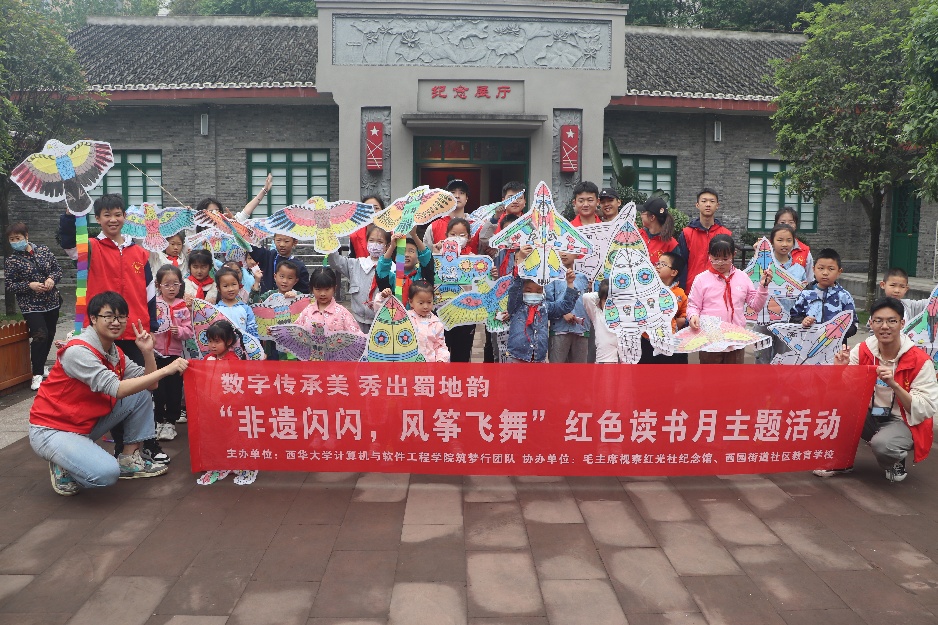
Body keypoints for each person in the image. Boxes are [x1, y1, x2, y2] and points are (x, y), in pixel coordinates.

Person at [29, 291, 187, 496]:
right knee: (106, 474)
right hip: (53, 429)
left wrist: (147, 352)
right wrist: (167, 369)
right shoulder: (78, 351)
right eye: (109, 316)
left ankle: (129, 459)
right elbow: (117, 389)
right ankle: (63, 462)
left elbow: (151, 385)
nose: (116, 322)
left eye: (121, 317)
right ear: (93, 318)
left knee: (140, 392)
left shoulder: (114, 351)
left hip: (84, 424)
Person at [817, 297, 938, 482]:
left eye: (892, 321)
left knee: (883, 445)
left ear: (902, 323)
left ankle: (895, 458)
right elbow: (842, 391)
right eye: (879, 321)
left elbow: (925, 408)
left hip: (904, 420)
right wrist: (839, 371)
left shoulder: (920, 361)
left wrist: (894, 385)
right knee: (835, 411)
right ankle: (842, 460)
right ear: (871, 323)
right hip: (870, 414)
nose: (885, 326)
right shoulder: (863, 350)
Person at [687, 235, 770, 364]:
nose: (720, 263)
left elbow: (756, 305)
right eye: (715, 259)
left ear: (734, 254)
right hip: (710, 339)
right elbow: (693, 305)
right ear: (709, 255)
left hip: (735, 340)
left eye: (725, 259)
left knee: (733, 375)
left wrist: (763, 287)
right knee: (709, 375)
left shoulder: (742, 277)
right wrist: (693, 316)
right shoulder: (701, 279)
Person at [197, 319, 258, 486]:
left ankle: (235, 461)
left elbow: (238, 386)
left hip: (229, 407)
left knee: (232, 434)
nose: (212, 345)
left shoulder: (234, 361)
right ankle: (219, 461)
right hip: (211, 405)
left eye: (217, 341)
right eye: (210, 341)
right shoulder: (208, 359)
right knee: (214, 435)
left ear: (229, 341)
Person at [5, 222, 62, 390]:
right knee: (40, 335)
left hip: (51, 301)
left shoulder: (43, 250)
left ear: (26, 236)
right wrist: (29, 285)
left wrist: (51, 279)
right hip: (30, 305)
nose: (15, 242)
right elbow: (10, 285)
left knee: (50, 334)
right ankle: (36, 374)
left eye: (18, 238)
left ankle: (41, 366)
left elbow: (57, 270)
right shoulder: (12, 260)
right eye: (12, 239)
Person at [503, 246, 580, 363]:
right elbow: (515, 288)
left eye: (538, 291)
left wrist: (569, 283)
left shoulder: (545, 307)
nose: (534, 293)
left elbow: (565, 306)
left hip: (539, 357)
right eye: (529, 291)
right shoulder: (516, 306)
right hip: (517, 356)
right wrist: (521, 260)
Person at [754, 224, 808, 364]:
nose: (784, 244)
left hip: (787, 322)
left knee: (783, 360)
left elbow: (802, 296)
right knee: (761, 359)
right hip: (763, 319)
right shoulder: (761, 265)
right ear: (772, 241)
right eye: (780, 240)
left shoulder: (798, 270)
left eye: (789, 240)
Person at [152, 264, 192, 441]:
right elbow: (148, 325)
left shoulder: (182, 306)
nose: (171, 288)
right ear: (158, 285)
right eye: (166, 284)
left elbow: (189, 332)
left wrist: (179, 331)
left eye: (175, 284)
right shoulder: (154, 305)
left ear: (180, 285)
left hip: (175, 356)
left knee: (174, 391)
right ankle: (158, 421)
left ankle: (170, 423)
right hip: (156, 354)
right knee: (158, 391)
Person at [329, 224, 390, 333]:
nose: (375, 245)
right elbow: (335, 261)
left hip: (382, 324)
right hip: (357, 322)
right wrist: (329, 238)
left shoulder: (392, 270)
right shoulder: (356, 264)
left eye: (380, 242)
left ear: (387, 245)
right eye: (371, 240)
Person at [788, 248, 858, 342]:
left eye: (831, 269)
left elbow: (853, 325)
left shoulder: (844, 296)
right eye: (821, 268)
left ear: (839, 272)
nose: (825, 273)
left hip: (836, 347)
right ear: (814, 269)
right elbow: (793, 318)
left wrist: (837, 331)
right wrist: (802, 322)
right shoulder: (805, 294)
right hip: (808, 345)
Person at [435, 218, 478, 362]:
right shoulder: (437, 257)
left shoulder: (474, 259)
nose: (457, 238)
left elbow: (482, 282)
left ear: (469, 237)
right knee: (441, 353)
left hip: (466, 314)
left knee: (462, 356)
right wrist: (436, 252)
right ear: (446, 235)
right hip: (441, 311)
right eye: (453, 234)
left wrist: (491, 273)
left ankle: (460, 377)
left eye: (462, 235)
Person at [676, 188, 732, 293]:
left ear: (717, 205)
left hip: (718, 290)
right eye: (704, 201)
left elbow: (728, 264)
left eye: (712, 201)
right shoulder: (687, 233)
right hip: (692, 288)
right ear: (697, 205)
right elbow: (681, 264)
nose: (708, 204)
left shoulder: (725, 234)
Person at [378, 281, 450, 362]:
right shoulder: (404, 318)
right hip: (407, 364)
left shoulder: (437, 323)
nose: (425, 306)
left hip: (429, 365)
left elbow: (440, 346)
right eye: (421, 303)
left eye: (429, 302)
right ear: (411, 302)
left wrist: (441, 360)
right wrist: (383, 297)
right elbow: (384, 313)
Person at [640, 251, 688, 364]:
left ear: (674, 272)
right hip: (647, 340)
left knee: (670, 371)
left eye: (663, 264)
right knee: (645, 371)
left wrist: (679, 321)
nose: (658, 266)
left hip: (670, 341)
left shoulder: (680, 294)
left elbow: (684, 314)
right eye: (658, 263)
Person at [546, 252, 590, 363]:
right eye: (561, 250)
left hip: (581, 329)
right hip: (559, 329)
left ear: (577, 254)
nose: (564, 254)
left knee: (579, 371)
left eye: (568, 250)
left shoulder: (583, 278)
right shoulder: (551, 278)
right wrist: (563, 313)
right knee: (556, 370)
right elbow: (547, 304)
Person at [296, 267, 363, 334]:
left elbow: (357, 336)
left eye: (327, 289)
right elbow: (295, 332)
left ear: (335, 288)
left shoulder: (343, 313)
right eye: (318, 289)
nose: (322, 294)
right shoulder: (307, 311)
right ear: (312, 289)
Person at [376, 230, 434, 308]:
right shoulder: (392, 278)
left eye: (411, 251)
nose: (406, 255)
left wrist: (414, 235)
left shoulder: (423, 275)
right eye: (402, 252)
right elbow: (381, 270)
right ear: (395, 258)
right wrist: (392, 247)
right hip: (397, 314)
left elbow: (426, 257)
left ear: (418, 258)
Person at [423, 179, 481, 253]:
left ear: (466, 198)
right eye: (453, 192)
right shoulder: (434, 226)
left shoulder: (477, 226)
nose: (457, 196)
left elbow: (484, 254)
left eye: (461, 193)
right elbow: (425, 254)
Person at [479, 181, 527, 256]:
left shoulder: (531, 223)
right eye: (511, 198)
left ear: (525, 201)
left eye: (519, 198)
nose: (515, 201)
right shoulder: (493, 221)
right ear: (503, 200)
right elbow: (483, 242)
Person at [213, 267, 260, 340]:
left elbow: (252, 330)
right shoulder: (215, 310)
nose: (230, 289)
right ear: (218, 288)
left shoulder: (246, 309)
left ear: (239, 284)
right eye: (225, 286)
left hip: (243, 346)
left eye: (234, 284)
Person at [582, 280, 621, 363]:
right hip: (605, 361)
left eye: (612, 300)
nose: (609, 304)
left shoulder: (624, 315)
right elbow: (586, 297)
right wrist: (602, 292)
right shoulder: (597, 314)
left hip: (624, 362)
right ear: (600, 301)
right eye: (605, 300)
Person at [639, 198, 677, 265]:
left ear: (652, 217)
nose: (640, 215)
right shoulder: (638, 235)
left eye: (642, 212)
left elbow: (677, 268)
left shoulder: (671, 244)